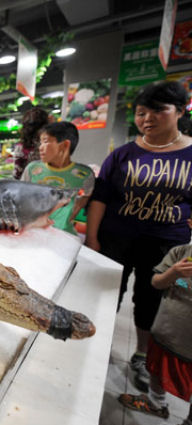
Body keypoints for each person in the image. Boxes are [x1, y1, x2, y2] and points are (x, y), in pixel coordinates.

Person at [85, 81, 192, 392]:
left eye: (158, 110)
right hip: (115, 239)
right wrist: (92, 239)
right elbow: (100, 199)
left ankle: (143, 356)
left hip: (165, 244)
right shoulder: (122, 155)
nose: (147, 118)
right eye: (142, 112)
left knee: (151, 301)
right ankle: (97, 345)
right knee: (106, 295)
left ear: (179, 111)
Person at [118, 242, 192, 424]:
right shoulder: (180, 252)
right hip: (167, 330)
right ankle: (155, 402)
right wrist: (174, 273)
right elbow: (156, 282)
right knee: (157, 370)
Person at [20, 122, 94, 235]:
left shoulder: (84, 174)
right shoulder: (32, 169)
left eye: (45, 142)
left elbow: (87, 194)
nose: (40, 148)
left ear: (64, 145)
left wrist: (75, 210)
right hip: (33, 233)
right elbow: (20, 195)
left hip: (63, 235)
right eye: (40, 143)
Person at [13, 107, 50, 180]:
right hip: (48, 183)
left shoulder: (21, 147)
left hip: (27, 186)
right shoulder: (50, 144)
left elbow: (17, 173)